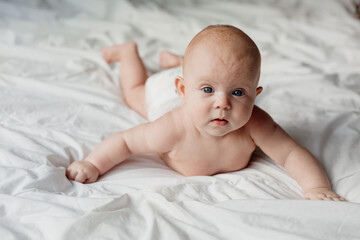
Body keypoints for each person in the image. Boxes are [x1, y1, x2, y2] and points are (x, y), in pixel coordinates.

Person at [66, 25, 345, 201]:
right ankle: (128, 54)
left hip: (189, 82)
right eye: (209, 90)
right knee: (135, 91)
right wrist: (93, 164)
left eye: (238, 93)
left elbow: (291, 153)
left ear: (256, 95)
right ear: (184, 90)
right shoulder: (170, 128)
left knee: (214, 70)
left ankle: (183, 64)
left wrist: (316, 188)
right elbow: (125, 142)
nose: (222, 104)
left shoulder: (256, 123)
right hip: (166, 94)